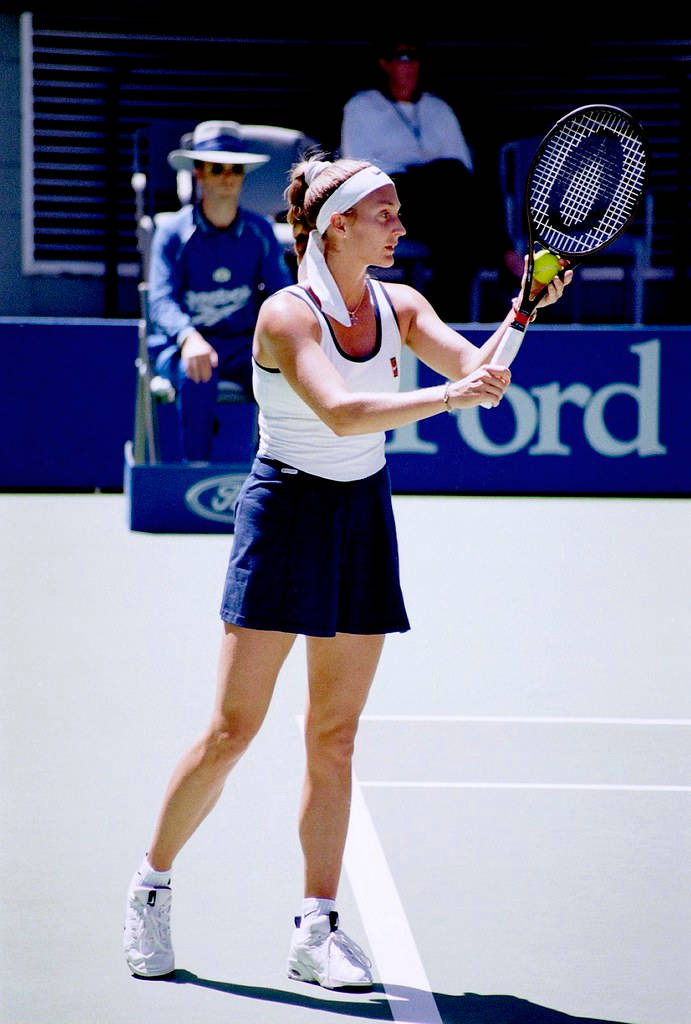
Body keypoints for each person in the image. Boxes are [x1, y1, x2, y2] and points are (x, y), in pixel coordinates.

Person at [123, 156, 570, 989]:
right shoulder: (284, 318)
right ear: (335, 225)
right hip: (286, 510)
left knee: (333, 737)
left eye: (397, 213)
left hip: (363, 509)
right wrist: (450, 400)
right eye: (385, 212)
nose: (400, 225)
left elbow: (470, 365)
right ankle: (150, 885)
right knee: (232, 732)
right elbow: (340, 408)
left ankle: (316, 927)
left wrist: (522, 311)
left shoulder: (399, 305)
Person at [340, 40, 522, 320]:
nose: (408, 65)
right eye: (401, 57)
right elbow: (359, 168)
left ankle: (444, 321)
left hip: (443, 200)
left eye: (413, 57)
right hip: (393, 196)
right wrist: (420, 173)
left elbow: (463, 168)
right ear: (384, 64)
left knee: (458, 236)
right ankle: (504, 255)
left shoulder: (438, 109)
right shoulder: (361, 107)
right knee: (452, 192)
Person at [148, 120, 293, 461]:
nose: (227, 177)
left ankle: (272, 474)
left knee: (282, 373)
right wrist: (188, 338)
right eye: (217, 168)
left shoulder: (260, 231)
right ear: (198, 173)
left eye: (236, 169)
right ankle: (196, 473)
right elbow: (160, 300)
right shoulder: (171, 231)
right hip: (184, 347)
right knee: (197, 369)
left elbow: (281, 295)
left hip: (244, 345)